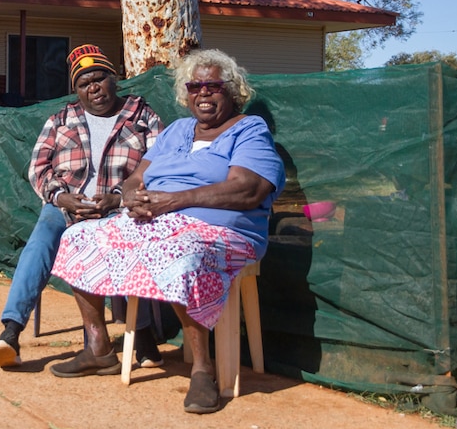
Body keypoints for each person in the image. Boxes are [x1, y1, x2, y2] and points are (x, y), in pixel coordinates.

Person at [48, 48, 286, 414]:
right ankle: (98, 348)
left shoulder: (249, 130)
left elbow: (248, 190)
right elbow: (136, 179)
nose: (203, 92)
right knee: (79, 237)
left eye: (213, 85)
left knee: (177, 249)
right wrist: (133, 200)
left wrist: (172, 201)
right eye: (195, 85)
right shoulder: (177, 130)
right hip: (155, 221)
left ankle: (203, 369)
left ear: (232, 91)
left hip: (219, 231)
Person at [0, 44, 164, 368]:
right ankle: (10, 333)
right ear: (76, 90)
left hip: (117, 208)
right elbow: (38, 167)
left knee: (123, 247)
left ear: (115, 79)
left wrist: (117, 197)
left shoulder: (143, 116)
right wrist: (60, 197)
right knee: (40, 244)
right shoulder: (60, 119)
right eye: (84, 84)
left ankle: (141, 335)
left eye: (100, 78)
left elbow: (158, 166)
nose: (93, 87)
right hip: (66, 205)